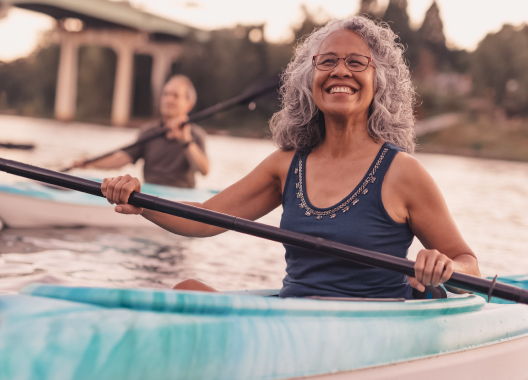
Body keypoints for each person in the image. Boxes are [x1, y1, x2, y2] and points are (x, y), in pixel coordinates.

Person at [100, 16, 481, 298]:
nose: (339, 71)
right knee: (186, 290)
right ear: (308, 78)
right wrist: (140, 201)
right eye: (327, 61)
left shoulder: (403, 173)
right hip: (292, 318)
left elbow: (468, 263)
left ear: (379, 81)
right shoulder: (286, 165)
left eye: (356, 62)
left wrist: (445, 266)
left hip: (369, 325)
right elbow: (202, 218)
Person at [75, 75, 209, 189]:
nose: (168, 99)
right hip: (151, 194)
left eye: (175, 96)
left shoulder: (196, 135)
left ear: (189, 104)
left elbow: (204, 170)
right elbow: (121, 158)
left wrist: (186, 141)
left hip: (181, 198)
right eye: (166, 94)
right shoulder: (148, 131)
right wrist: (89, 163)